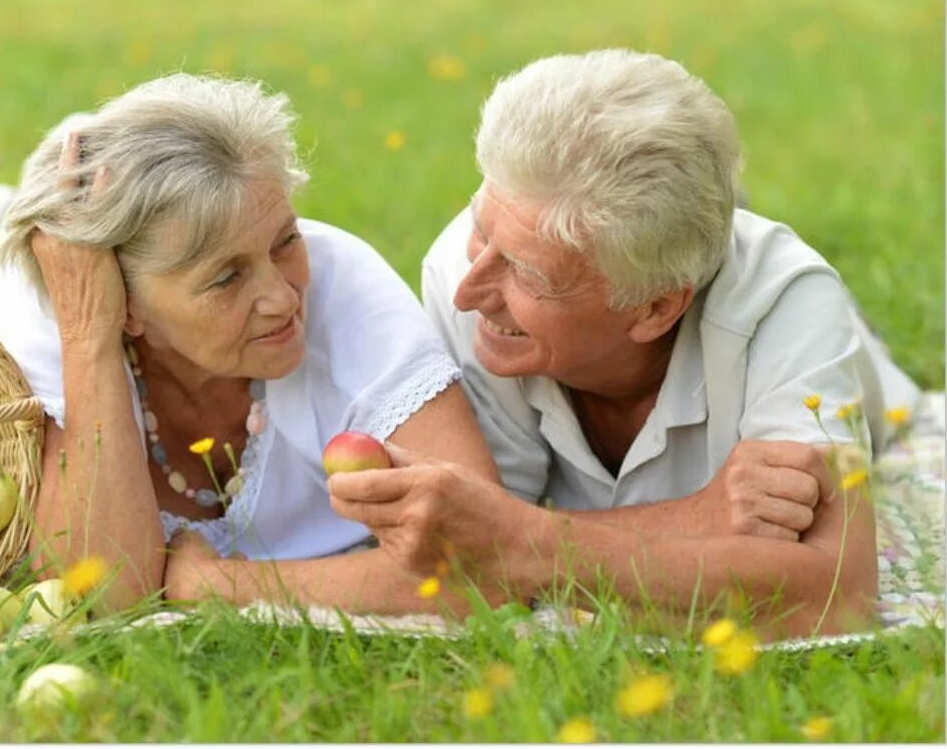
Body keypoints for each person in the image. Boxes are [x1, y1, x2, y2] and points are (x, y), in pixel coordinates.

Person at [327, 49, 922, 638]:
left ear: (657, 307)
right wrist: (699, 518)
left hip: (846, 366)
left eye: (530, 274)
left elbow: (836, 596)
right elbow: (466, 559)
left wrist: (523, 542)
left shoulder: (789, 303)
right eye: (481, 229)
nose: (469, 291)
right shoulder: (464, 275)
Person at [0, 73, 500, 612]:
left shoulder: (343, 280)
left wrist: (210, 585)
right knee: (15, 263)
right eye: (227, 277)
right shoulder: (59, 320)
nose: (282, 298)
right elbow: (98, 593)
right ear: (127, 305)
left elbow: (486, 563)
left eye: (286, 240)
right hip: (49, 300)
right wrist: (90, 339)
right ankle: (4, 219)